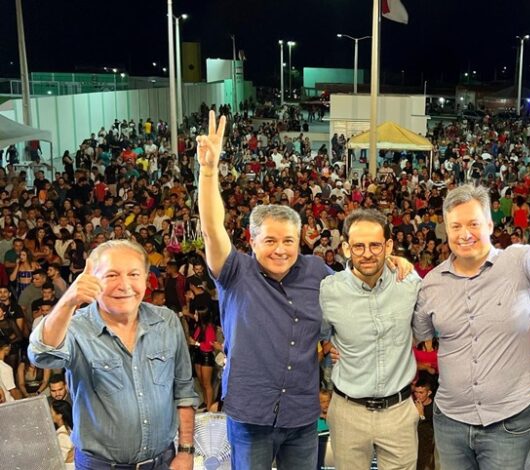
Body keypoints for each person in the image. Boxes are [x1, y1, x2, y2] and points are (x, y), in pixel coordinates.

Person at [196, 112, 411, 469]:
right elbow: (211, 228)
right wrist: (208, 172)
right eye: (270, 241)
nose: (280, 249)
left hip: (301, 413)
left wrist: (392, 259)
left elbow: (355, 292)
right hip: (251, 414)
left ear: (302, 240)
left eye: (289, 241)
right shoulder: (235, 271)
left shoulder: (316, 271)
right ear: (251, 240)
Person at [413, 139, 530, 469]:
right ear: (446, 230)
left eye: (473, 224)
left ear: (490, 226)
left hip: (508, 423)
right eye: (456, 226)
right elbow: (420, 335)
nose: (465, 233)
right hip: (450, 421)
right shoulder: (432, 283)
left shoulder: (518, 263)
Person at [28, 240, 199, 470]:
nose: (125, 285)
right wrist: (69, 300)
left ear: (146, 278)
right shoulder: (76, 327)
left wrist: (186, 451)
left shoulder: (166, 321)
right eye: (112, 275)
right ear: (92, 279)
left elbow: (184, 391)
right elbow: (40, 355)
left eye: (134, 274)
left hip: (163, 462)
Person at [320, 208, 422, 470]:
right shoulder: (328, 291)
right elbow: (317, 338)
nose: (367, 253)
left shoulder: (410, 283)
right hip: (348, 412)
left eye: (375, 245)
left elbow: (426, 330)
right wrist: (329, 347)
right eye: (359, 246)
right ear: (345, 248)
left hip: (398, 412)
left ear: (388, 246)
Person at [414, 380, 436, 470]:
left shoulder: (435, 408)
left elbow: (429, 432)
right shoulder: (412, 405)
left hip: (428, 445)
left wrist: (421, 415)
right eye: (416, 392)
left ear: (429, 392)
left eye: (421, 392)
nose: (418, 395)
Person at [51, 398, 75, 464]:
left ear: (59, 415)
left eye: (51, 412)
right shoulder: (70, 429)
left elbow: (62, 460)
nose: (50, 415)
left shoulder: (62, 436)